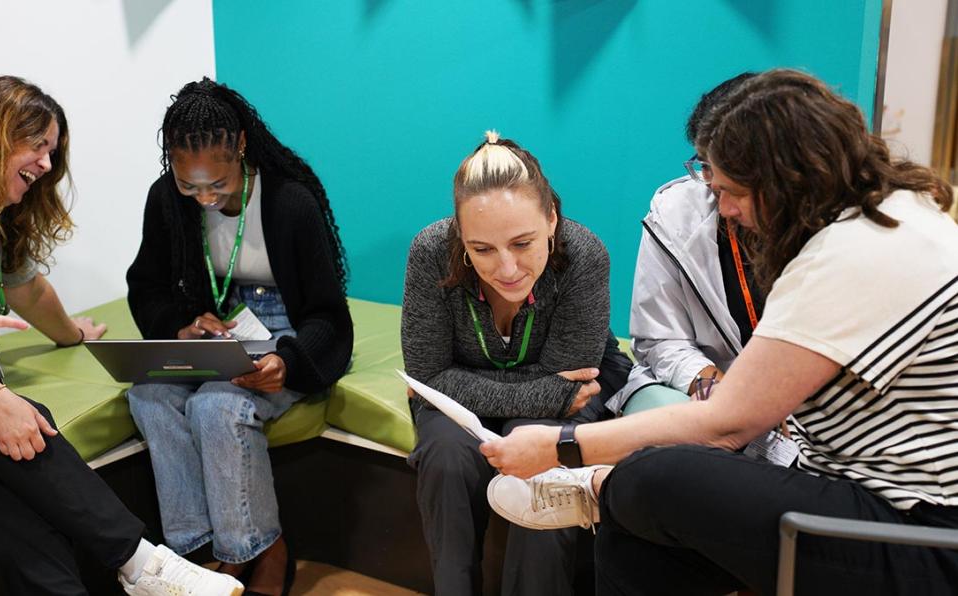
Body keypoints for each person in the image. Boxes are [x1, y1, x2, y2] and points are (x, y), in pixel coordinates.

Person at [483, 69, 958, 595]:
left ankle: (598, 488)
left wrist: (563, 448)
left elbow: (727, 424)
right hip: (867, 496)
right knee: (636, 531)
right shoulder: (894, 214)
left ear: (788, 178)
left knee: (651, 476)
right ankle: (606, 495)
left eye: (733, 191)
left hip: (920, 532)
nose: (724, 208)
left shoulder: (854, 253)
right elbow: (669, 352)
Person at [0, 76, 244, 596]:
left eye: (51, 151)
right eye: (37, 146)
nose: (45, 164)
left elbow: (27, 289)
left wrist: (71, 333)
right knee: (7, 423)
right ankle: (140, 563)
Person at [125, 78, 353, 595]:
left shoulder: (290, 202)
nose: (203, 198)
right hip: (220, 330)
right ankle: (197, 552)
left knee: (218, 406)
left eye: (217, 184)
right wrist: (179, 328)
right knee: (150, 395)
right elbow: (147, 286)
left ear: (241, 147)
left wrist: (289, 363)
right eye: (190, 186)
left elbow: (328, 316)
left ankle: (261, 549)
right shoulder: (166, 200)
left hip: (287, 331)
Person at [401, 131, 632, 595]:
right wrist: (544, 389)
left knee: (543, 461)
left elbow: (571, 388)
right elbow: (427, 375)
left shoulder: (584, 256)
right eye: (482, 249)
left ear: (551, 219)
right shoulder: (430, 251)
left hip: (495, 394)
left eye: (523, 243)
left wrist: (455, 381)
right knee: (446, 457)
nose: (505, 268)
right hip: (473, 401)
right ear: (460, 235)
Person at [610, 73, 762, 416]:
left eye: (735, 187)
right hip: (707, 391)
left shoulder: (833, 233)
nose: (721, 201)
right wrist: (716, 390)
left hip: (799, 407)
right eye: (705, 167)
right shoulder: (675, 212)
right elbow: (660, 340)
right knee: (662, 440)